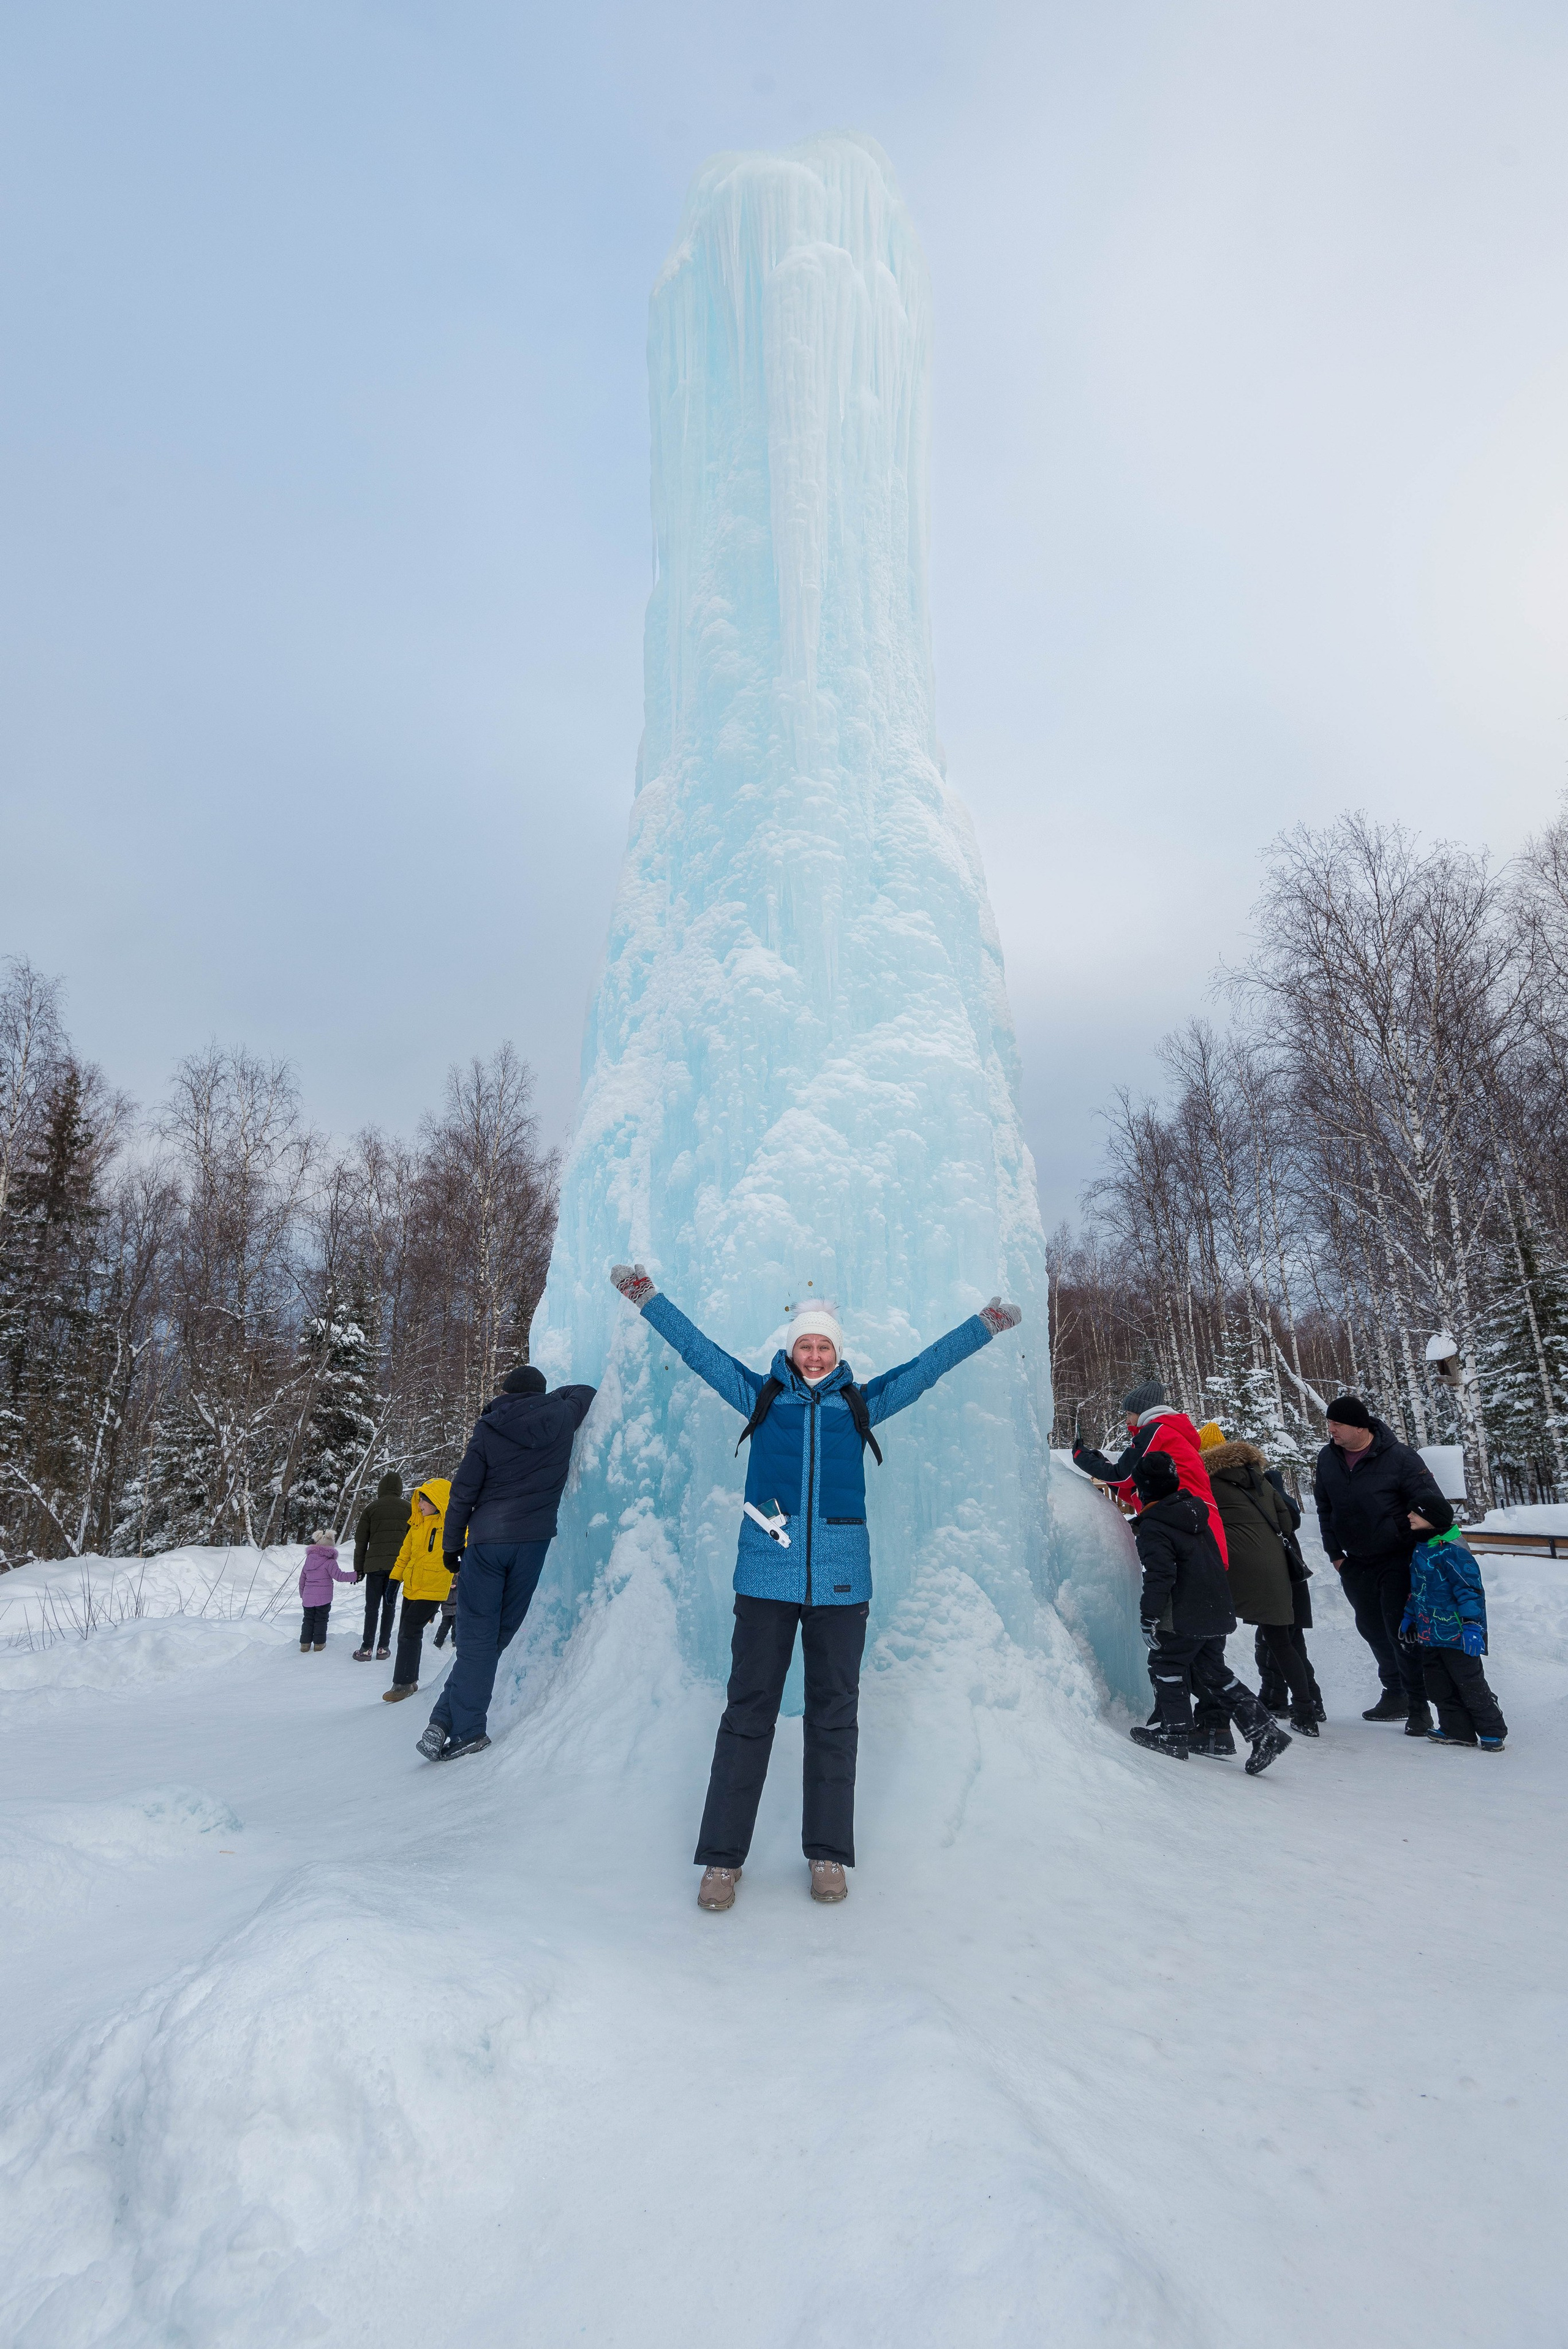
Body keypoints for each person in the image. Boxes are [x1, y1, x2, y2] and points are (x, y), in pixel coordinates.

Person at [609, 1261, 1023, 1910]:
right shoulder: (760, 1397)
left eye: (823, 1345)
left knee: (834, 1718)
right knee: (747, 1715)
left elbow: (924, 1368)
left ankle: (827, 1853)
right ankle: (722, 1861)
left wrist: (984, 1324)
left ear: (837, 1352)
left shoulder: (861, 1403)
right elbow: (697, 1351)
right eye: (805, 1344)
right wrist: (647, 1298)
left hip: (840, 1580)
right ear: (790, 1349)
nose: (813, 1354)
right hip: (766, 1577)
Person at [413, 1365, 597, 1763]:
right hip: (531, 1544)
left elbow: (463, 1491)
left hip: (487, 1542)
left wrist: (450, 1546)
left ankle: (467, 1730)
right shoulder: (563, 1416)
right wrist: (549, 1400)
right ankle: (443, 1719)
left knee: (479, 1637)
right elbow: (583, 1388)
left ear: (507, 1392)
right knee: (495, 1637)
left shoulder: (490, 1427)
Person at [1128, 1451, 1291, 1774]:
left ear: (1145, 1491)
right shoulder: (1196, 1515)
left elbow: (1161, 1576)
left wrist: (1149, 1617)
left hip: (1185, 1616)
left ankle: (1174, 1734)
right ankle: (1265, 1732)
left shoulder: (1156, 1527)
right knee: (1214, 1673)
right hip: (1216, 1610)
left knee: (1166, 1666)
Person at [1313, 1395, 1447, 1734]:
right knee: (1371, 1628)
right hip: (1355, 1562)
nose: (1331, 1431)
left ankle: (1419, 1707)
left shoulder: (1400, 1458)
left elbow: (1431, 1505)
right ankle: (1395, 1692)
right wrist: (1336, 1555)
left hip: (1397, 1558)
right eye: (1329, 1424)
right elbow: (1325, 1509)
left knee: (1400, 1630)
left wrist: (1423, 1551)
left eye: (1337, 1424)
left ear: (1360, 1426)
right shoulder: (1328, 1458)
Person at [1199, 1434, 1324, 1741]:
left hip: (1236, 1568)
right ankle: (1306, 1712)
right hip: (1275, 1568)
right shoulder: (1261, 1479)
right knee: (1281, 1641)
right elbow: (1286, 1523)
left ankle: (1214, 1715)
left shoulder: (1207, 1481)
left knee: (1206, 1636)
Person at [1073, 1380, 1229, 1562]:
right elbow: (1136, 1488)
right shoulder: (1171, 1432)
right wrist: (1102, 1464)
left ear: (1143, 1412)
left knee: (1170, 1584)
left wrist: (1082, 1458)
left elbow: (1123, 1477)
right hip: (1199, 1524)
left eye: (1129, 1414)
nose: (1127, 1421)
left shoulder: (1156, 1431)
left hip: (1181, 1526)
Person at [1400, 1498, 1507, 1750]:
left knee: (1469, 1684)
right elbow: (1419, 1590)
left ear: (1433, 1518)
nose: (1410, 1516)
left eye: (1416, 1513)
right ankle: (1457, 1729)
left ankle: (1492, 1731)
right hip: (1430, 1632)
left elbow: (1470, 1591)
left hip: (1458, 1634)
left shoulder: (1453, 1550)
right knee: (1438, 1686)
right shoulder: (1423, 1547)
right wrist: (1410, 1616)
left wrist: (1472, 1626)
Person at [383, 1479, 456, 1702]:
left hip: (434, 1589)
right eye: (420, 1499)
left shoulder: (452, 1526)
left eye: (425, 1499)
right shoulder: (417, 1525)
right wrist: (394, 1580)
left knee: (408, 1632)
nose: (420, 1503)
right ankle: (410, 1681)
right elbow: (405, 1555)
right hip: (412, 1588)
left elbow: (461, 1553)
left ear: (437, 1501)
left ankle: (402, 1684)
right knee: (408, 1633)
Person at [352, 1472, 410, 1661]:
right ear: (400, 1488)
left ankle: (367, 1647)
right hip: (397, 1567)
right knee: (389, 1606)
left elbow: (361, 1542)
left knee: (372, 1607)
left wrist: (358, 1569)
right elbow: (414, 1541)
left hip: (374, 1566)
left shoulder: (371, 1509)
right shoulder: (409, 1509)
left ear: (381, 1488)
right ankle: (383, 1648)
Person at [298, 1529, 355, 1651]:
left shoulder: (309, 1560)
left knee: (308, 1620)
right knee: (321, 1620)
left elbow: (302, 1579)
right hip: (323, 1599)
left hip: (308, 1598)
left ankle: (305, 1644)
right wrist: (356, 1575)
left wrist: (303, 1594)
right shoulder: (330, 1562)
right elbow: (339, 1576)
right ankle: (319, 1644)